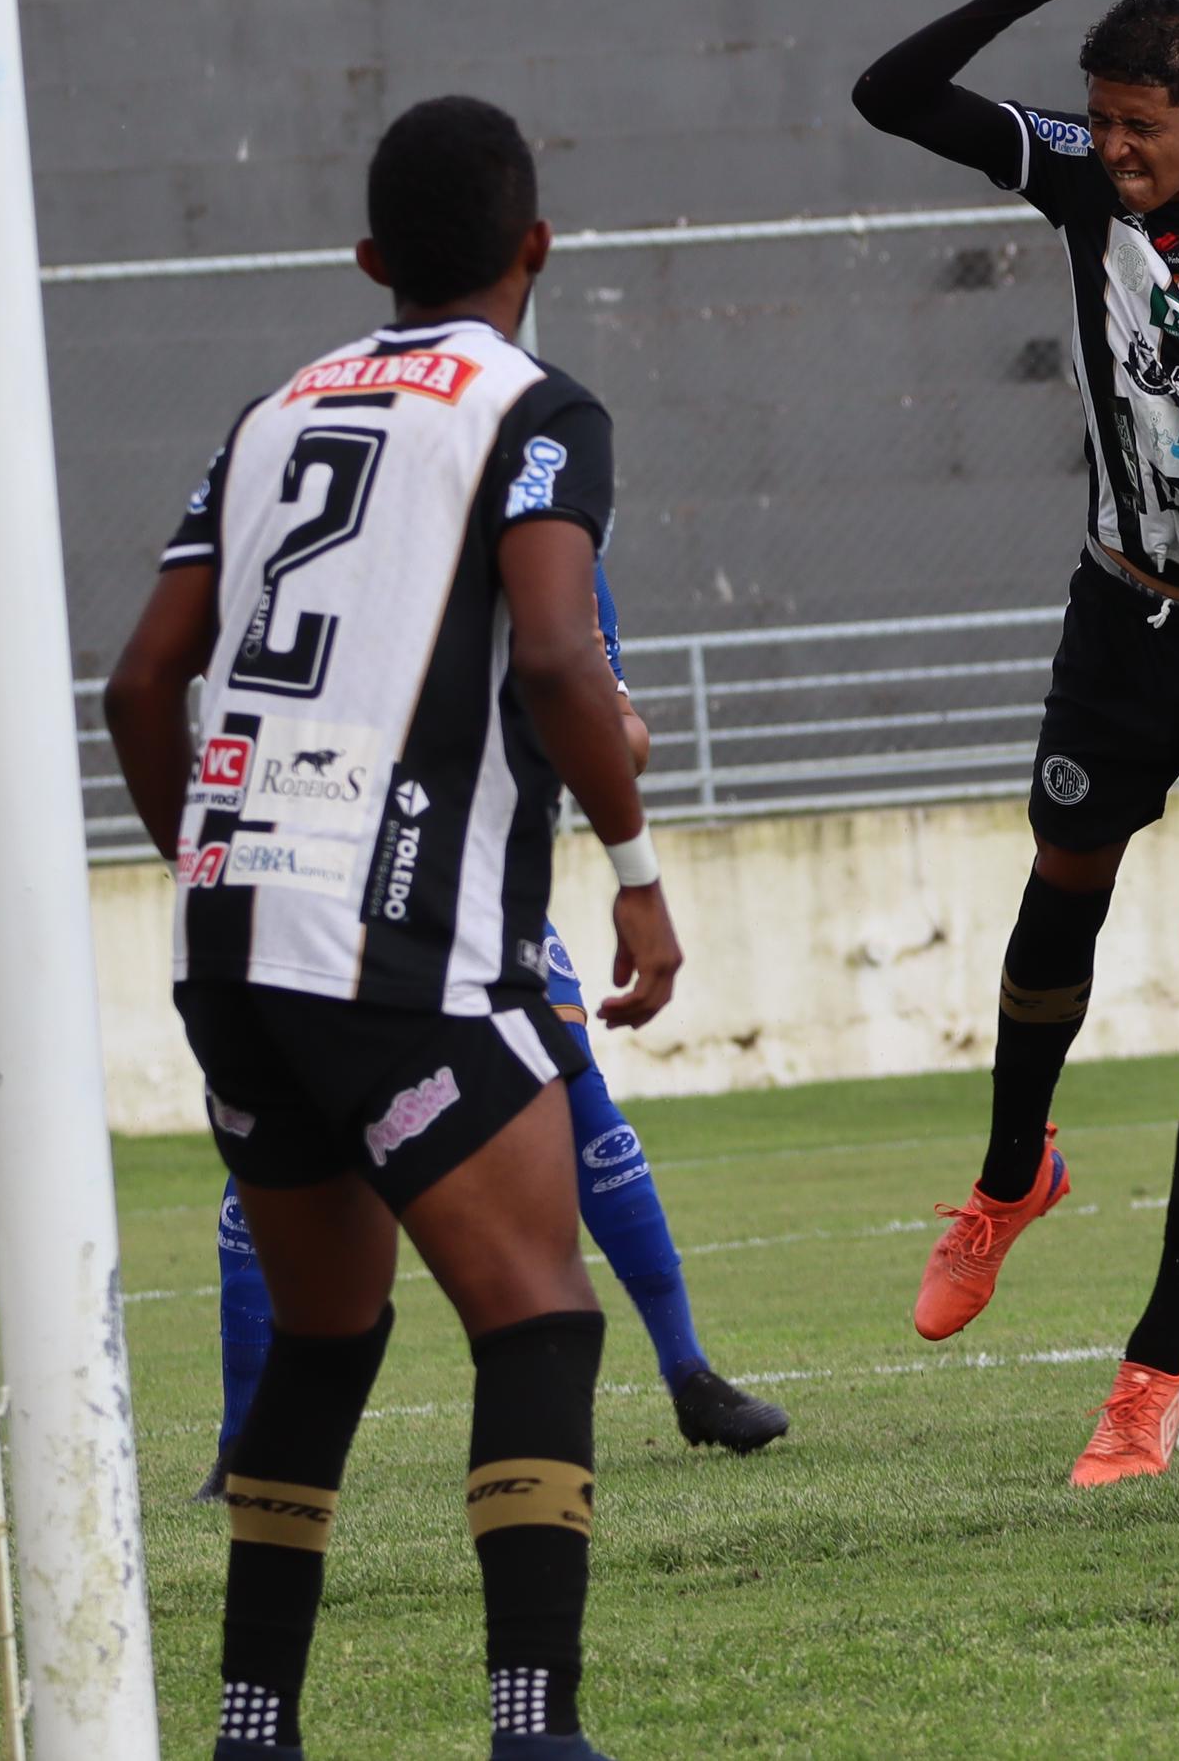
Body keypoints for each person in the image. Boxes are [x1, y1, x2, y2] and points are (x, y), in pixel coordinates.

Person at [107, 96, 676, 1761]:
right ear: (536, 247)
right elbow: (565, 660)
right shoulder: (536, 404)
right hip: (399, 934)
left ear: (368, 261)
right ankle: (530, 1723)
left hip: (236, 932)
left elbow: (144, 676)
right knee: (541, 1312)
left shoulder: (274, 406)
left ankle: (252, 1723)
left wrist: (214, 865)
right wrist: (635, 862)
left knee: (327, 1330)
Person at [847, 0, 1179, 1486]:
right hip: (1116, 616)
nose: (1113, 149)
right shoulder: (1078, 184)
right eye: (1101, 122)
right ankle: (1010, 1175)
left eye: (1143, 128)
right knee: (1057, 903)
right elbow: (888, 94)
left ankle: (1151, 1371)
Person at [209, 569, 783, 1477]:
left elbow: (622, 736)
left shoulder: (564, 560)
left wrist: (589, 718)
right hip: (328, 888)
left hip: (475, 893)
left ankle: (690, 1376)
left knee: (580, 1100)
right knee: (280, 1154)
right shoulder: (363, 552)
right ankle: (242, 1442)